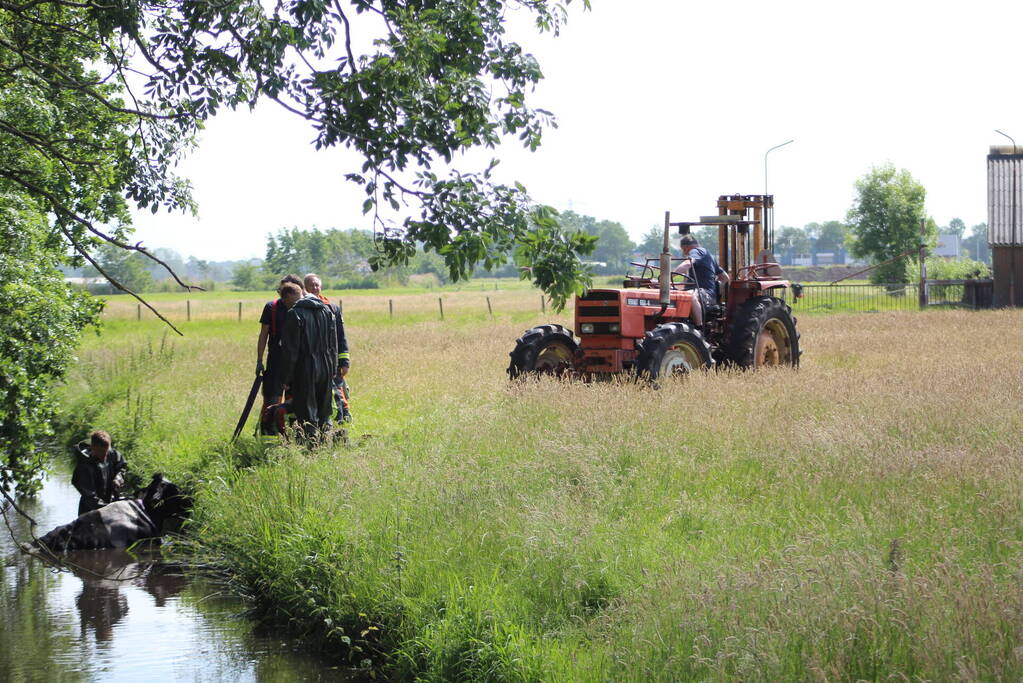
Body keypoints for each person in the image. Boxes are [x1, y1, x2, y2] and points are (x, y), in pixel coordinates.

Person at [279, 282, 338, 436]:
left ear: (290, 296)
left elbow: (290, 350)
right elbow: (334, 344)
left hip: (305, 368)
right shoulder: (327, 311)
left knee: (307, 411)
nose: (285, 305)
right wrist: (333, 368)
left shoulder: (294, 314)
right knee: (324, 409)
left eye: (284, 301)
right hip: (326, 366)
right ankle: (327, 442)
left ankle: (311, 448)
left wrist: (286, 378)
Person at [304, 273, 351, 422]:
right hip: (311, 359)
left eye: (317, 284)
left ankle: (343, 417)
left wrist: (344, 362)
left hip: (331, 358)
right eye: (311, 285)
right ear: (305, 287)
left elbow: (341, 336)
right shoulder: (300, 308)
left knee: (336, 389)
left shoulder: (332, 308)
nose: (315, 287)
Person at [256, 274, 305, 412]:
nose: (283, 294)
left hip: (297, 362)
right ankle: (268, 428)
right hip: (275, 361)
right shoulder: (271, 307)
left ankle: (291, 430)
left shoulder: (304, 308)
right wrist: (259, 361)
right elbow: (263, 335)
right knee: (271, 400)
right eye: (281, 290)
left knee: (295, 401)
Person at [673, 234, 730, 327]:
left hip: (704, 293)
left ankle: (699, 327)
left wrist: (668, 276)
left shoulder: (696, 251)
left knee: (689, 296)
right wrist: (717, 287)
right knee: (678, 293)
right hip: (709, 294)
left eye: (683, 250)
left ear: (685, 247)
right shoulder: (709, 255)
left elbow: (687, 264)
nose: (685, 253)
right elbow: (725, 277)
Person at [71, 430, 127, 516]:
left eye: (106, 452)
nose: (104, 456)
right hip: (89, 511)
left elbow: (122, 466)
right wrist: (108, 508)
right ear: (93, 447)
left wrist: (118, 478)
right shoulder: (84, 466)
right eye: (101, 452)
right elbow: (90, 497)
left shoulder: (113, 455)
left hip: (109, 501)